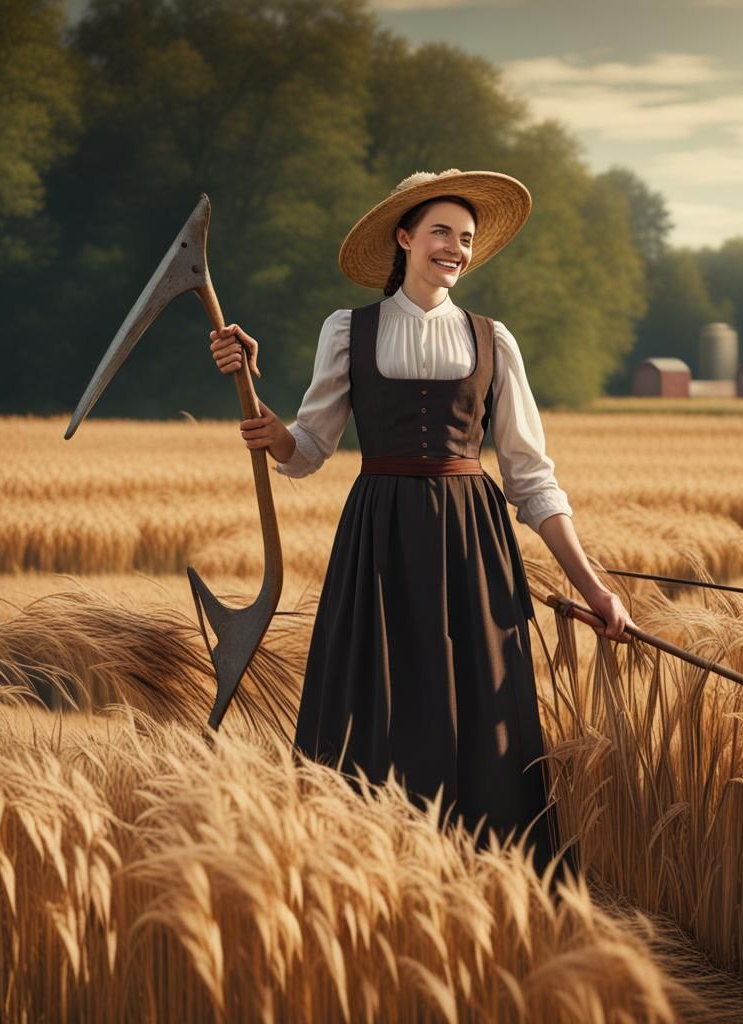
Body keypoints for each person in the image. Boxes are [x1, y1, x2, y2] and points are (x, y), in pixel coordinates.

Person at [210, 169, 635, 879]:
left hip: (474, 549)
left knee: (486, 719)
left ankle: (494, 884)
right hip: (378, 545)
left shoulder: (495, 341)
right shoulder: (348, 330)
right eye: (441, 231)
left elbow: (531, 481)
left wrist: (594, 589)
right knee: (373, 712)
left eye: (466, 238)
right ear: (404, 238)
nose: (455, 248)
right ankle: (357, 876)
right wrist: (258, 410)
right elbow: (307, 449)